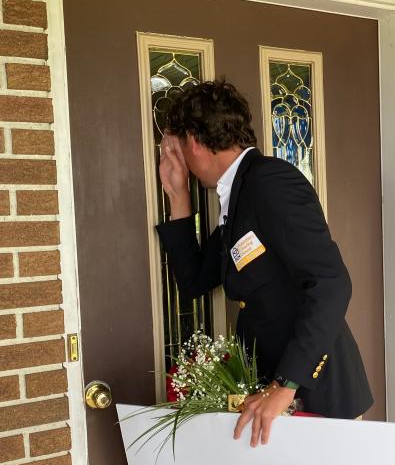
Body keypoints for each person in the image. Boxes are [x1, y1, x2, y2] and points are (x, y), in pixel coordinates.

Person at [156, 80, 372, 446]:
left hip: (317, 392)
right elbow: (194, 280)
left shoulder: (269, 182)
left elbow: (332, 283)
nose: (183, 162)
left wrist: (286, 384)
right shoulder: (237, 193)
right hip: (271, 392)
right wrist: (178, 196)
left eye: (178, 150)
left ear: (193, 140)